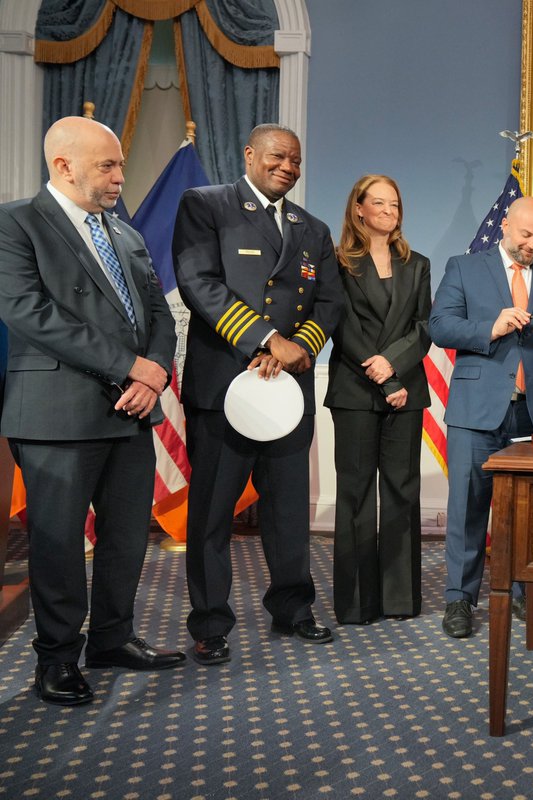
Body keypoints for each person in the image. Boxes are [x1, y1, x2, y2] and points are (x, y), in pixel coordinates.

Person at [0, 116, 183, 705]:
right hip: (57, 413)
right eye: (108, 165)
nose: (120, 176)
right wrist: (131, 368)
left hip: (131, 410)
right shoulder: (15, 224)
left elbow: (157, 314)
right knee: (56, 544)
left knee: (127, 538)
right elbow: (31, 315)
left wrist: (153, 375)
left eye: (121, 165)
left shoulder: (125, 234)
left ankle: (112, 638)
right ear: (63, 165)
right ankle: (55, 658)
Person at [173, 123, 344, 664]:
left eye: (294, 159)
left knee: (289, 510)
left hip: (286, 392)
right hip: (226, 386)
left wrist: (297, 347)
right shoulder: (206, 205)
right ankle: (209, 622)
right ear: (249, 154)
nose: (287, 166)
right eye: (276, 156)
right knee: (212, 514)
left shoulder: (311, 228)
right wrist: (266, 339)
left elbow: (330, 303)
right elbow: (200, 282)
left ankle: (294, 609)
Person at [429, 197, 533, 639]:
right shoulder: (464, 268)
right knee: (467, 508)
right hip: (476, 411)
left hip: (532, 413)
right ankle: (460, 600)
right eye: (526, 235)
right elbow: (439, 325)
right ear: (505, 226)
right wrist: (490, 328)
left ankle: (522, 590)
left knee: (525, 510)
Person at [324, 175, 431, 624]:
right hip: (355, 390)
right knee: (356, 494)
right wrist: (383, 374)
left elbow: (423, 328)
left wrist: (394, 367)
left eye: (395, 204)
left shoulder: (418, 264)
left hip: (407, 389)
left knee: (403, 492)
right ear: (359, 209)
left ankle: (400, 599)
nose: (389, 211)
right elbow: (343, 327)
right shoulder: (338, 262)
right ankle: (356, 603)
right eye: (379, 203)